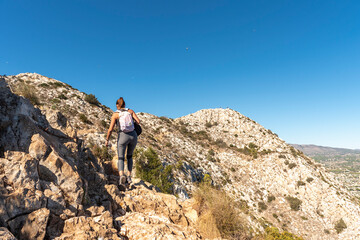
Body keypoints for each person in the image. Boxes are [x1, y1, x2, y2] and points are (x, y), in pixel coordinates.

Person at [105, 97, 140, 185]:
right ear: (124, 105)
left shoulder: (115, 115)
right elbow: (138, 121)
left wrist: (107, 140)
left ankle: (121, 176)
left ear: (117, 105)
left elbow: (110, 129)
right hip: (133, 136)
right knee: (129, 156)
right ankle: (129, 176)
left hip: (122, 136)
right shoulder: (130, 111)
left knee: (121, 157)